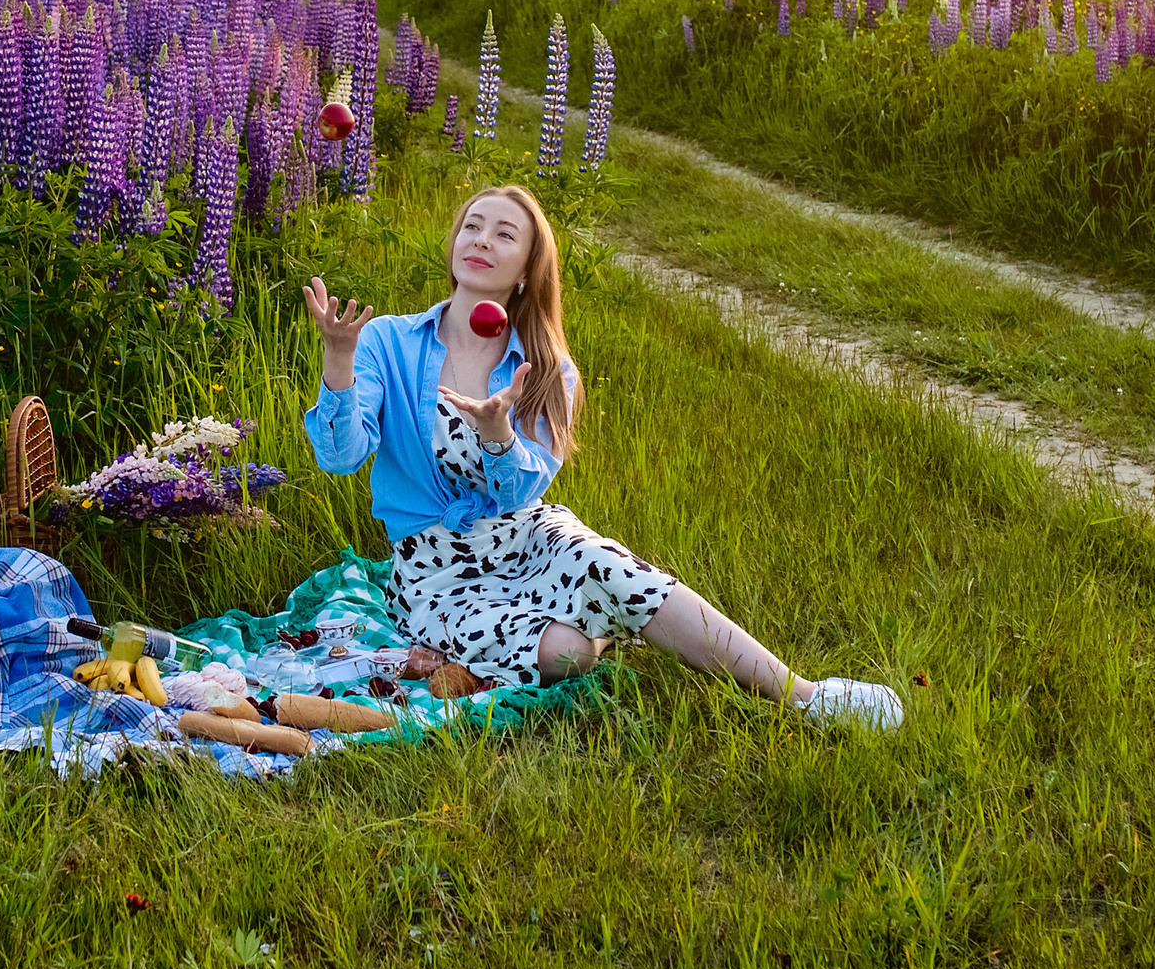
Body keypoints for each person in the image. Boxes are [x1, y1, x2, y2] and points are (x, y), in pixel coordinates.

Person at [301, 182, 904, 728]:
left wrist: (496, 435)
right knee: (567, 654)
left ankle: (805, 696)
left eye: (504, 234)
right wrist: (339, 360)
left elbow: (520, 494)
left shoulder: (547, 367)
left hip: (527, 535)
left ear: (525, 272)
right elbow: (341, 455)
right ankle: (614, 628)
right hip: (438, 571)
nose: (481, 240)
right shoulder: (387, 341)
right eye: (472, 226)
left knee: (623, 573)